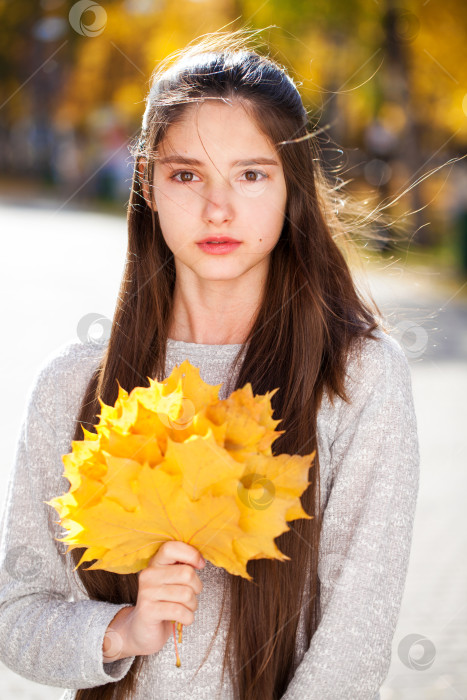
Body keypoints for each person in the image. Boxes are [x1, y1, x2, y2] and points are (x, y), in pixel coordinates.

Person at [0, 29, 420, 700]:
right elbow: (17, 615)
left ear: (292, 188)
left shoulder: (357, 378)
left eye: (251, 174)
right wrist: (124, 630)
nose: (216, 207)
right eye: (186, 174)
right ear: (148, 183)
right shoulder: (74, 385)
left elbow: (353, 648)